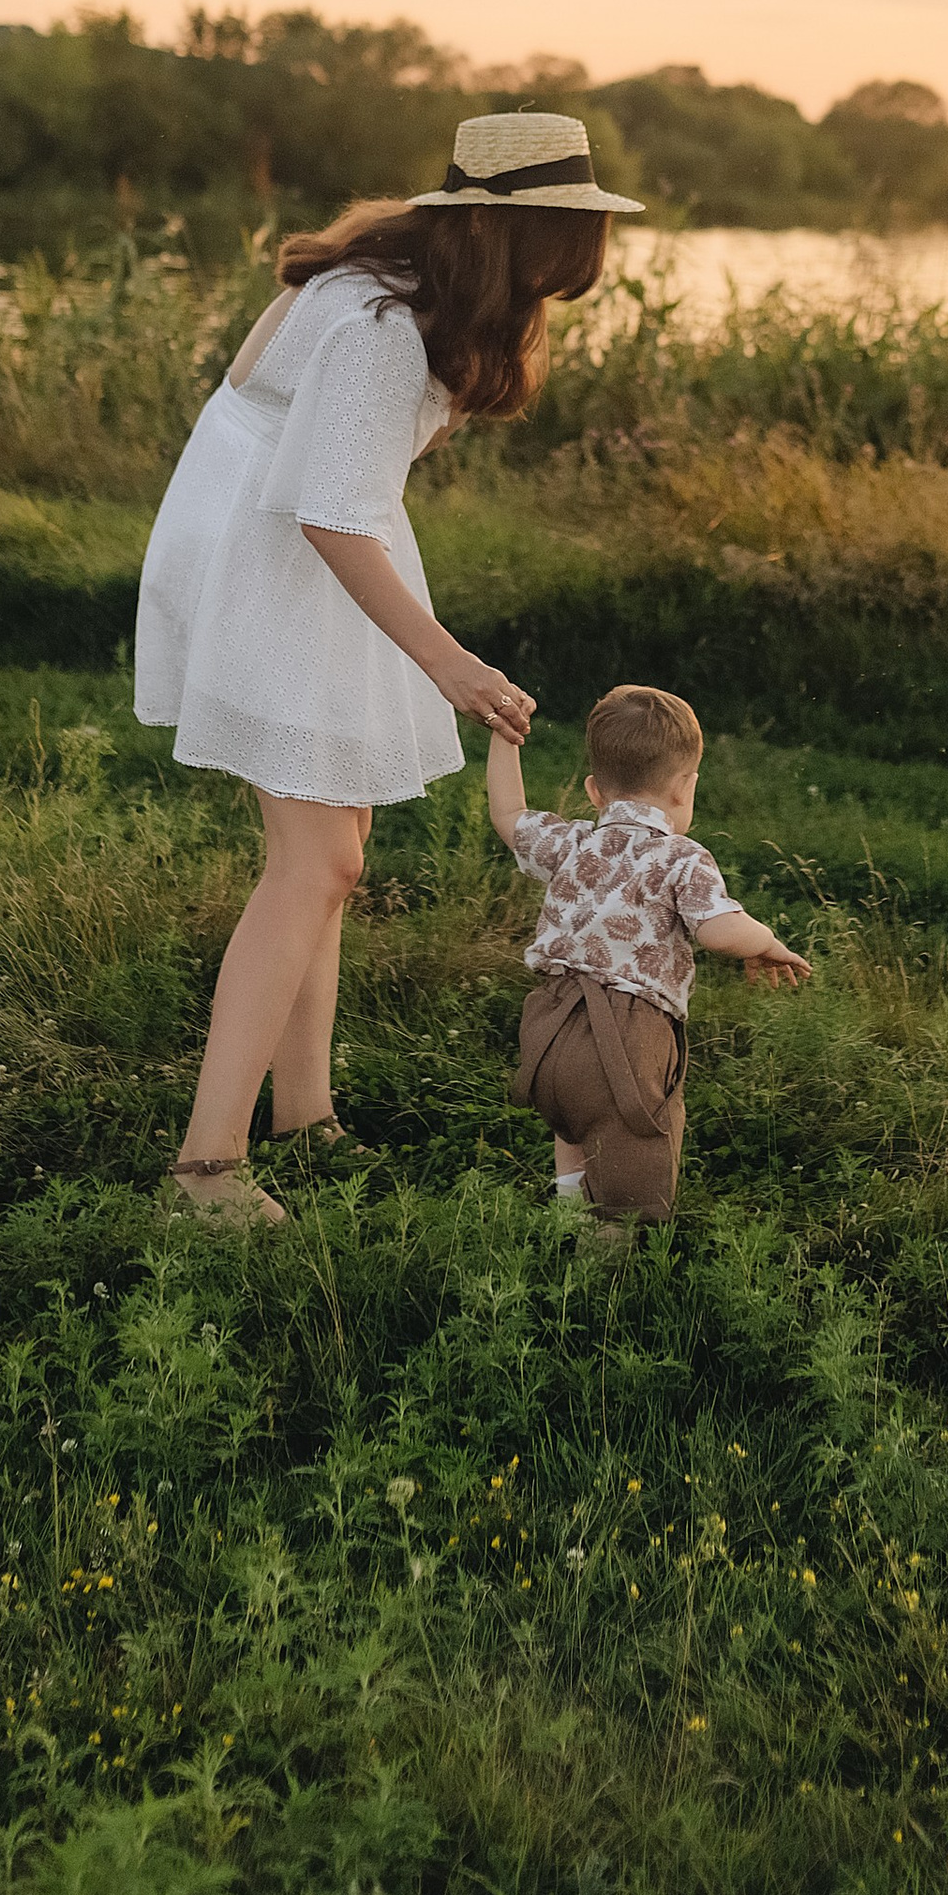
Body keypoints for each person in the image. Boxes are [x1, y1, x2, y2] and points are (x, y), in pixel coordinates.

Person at [136, 108, 640, 1223]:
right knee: (312, 863)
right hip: (277, 555)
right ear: (519, 236)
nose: (562, 288)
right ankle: (204, 1171)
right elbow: (326, 513)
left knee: (335, 846)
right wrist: (449, 664)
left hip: (279, 535)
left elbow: (253, 394)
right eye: (560, 260)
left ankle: (305, 1116)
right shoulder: (378, 320)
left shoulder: (390, 273)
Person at [490, 680, 811, 1223]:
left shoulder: (572, 843)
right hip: (627, 1035)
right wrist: (768, 942)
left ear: (594, 791)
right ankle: (609, 1266)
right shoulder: (682, 858)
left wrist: (505, 735)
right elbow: (717, 927)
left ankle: (569, 1216)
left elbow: (509, 814)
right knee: (637, 1159)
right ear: (685, 790)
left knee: (573, 1121)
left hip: (548, 1028)